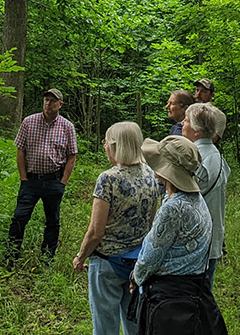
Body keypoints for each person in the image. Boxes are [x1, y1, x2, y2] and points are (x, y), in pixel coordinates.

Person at [131, 136, 226, 335]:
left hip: (170, 299)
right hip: (193, 293)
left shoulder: (174, 208)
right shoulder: (195, 198)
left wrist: (136, 277)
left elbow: (151, 255)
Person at [73, 122, 162, 335]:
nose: (104, 146)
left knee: (105, 326)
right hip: (137, 262)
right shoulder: (151, 175)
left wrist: (81, 256)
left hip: (106, 263)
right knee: (134, 321)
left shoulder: (108, 179)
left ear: (115, 146)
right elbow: (150, 223)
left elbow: (96, 231)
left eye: (106, 142)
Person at [8, 88, 78, 259]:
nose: (48, 103)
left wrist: (63, 182)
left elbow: (72, 156)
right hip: (31, 180)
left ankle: (47, 258)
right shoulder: (29, 122)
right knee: (19, 217)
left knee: (52, 221)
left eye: (52, 101)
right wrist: (23, 177)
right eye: (46, 100)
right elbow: (20, 150)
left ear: (60, 104)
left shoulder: (67, 126)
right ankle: (11, 255)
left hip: (54, 180)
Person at [182, 102, 230, 286]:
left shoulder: (195, 156)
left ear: (197, 132)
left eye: (186, 121)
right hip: (210, 237)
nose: (182, 125)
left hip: (196, 239)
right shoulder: (215, 154)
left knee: (196, 295)